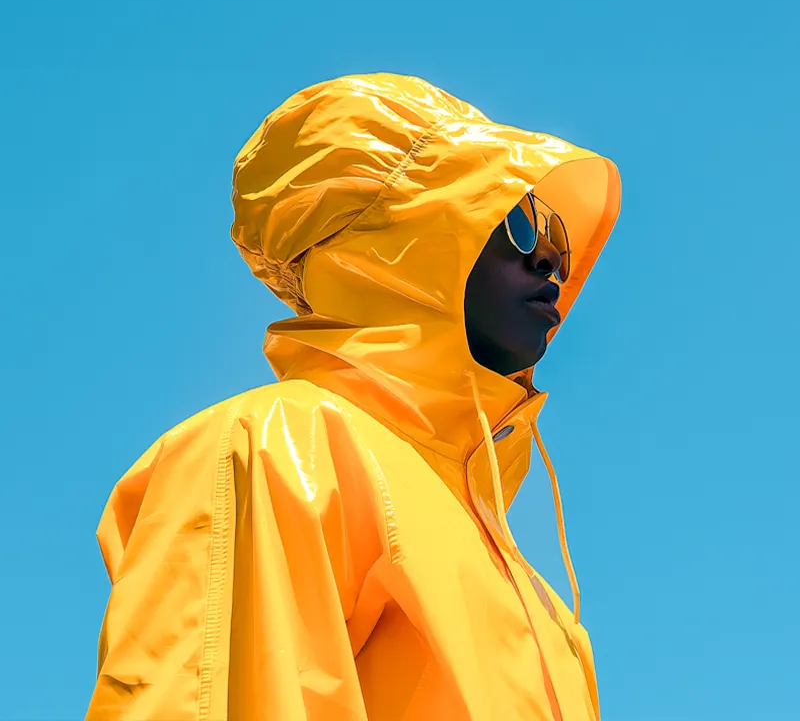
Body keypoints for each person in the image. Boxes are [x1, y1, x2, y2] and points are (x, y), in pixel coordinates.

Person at [86, 73, 621, 720]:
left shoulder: (541, 602)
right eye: (515, 221)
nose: (550, 260)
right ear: (394, 242)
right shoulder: (276, 450)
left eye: (557, 236)